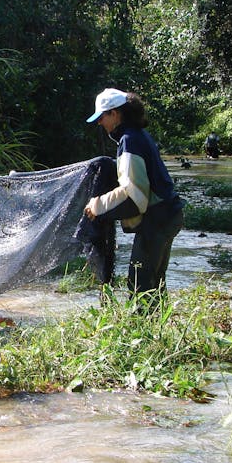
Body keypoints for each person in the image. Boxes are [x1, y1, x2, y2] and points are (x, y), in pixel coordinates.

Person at [83, 88, 184, 303]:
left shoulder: (130, 141)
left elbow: (134, 194)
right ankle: (157, 331)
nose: (100, 123)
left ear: (115, 114)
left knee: (140, 283)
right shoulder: (137, 136)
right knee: (154, 283)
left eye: (102, 117)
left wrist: (97, 205)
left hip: (157, 219)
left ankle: (143, 333)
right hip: (169, 215)